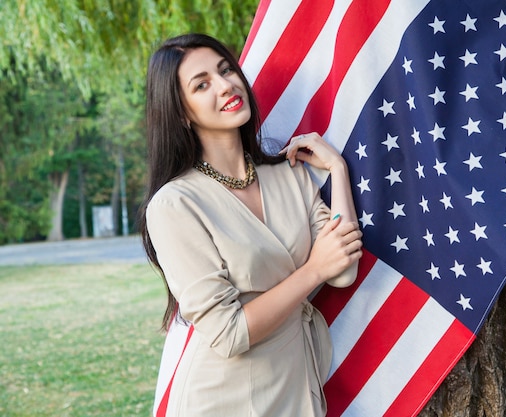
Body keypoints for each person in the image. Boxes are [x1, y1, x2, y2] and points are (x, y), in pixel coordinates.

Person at [137, 33, 363, 417]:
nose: (226, 85)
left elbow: (342, 272)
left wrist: (338, 171)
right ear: (180, 112)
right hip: (222, 399)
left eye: (226, 70)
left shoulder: (287, 174)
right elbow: (228, 334)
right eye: (202, 84)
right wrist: (313, 271)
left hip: (296, 388)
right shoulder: (175, 204)